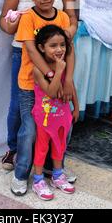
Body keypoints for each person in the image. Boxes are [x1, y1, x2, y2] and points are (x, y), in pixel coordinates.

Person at [0, 0, 77, 173]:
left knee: (53, 103)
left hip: (55, 55)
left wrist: (65, 35)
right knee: (19, 105)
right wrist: (15, 22)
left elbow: (73, 19)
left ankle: (50, 152)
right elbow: (3, 23)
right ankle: (14, 148)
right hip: (23, 53)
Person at [10, 0, 76, 196]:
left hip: (58, 83)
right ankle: (21, 174)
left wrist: (67, 81)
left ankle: (54, 170)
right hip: (31, 84)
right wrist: (52, 75)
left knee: (61, 128)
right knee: (29, 131)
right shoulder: (28, 17)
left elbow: (70, 51)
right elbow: (30, 48)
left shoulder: (63, 17)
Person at [32, 25, 79, 200]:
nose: (59, 49)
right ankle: (38, 180)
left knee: (60, 146)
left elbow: (71, 86)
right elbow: (51, 92)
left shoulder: (65, 66)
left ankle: (57, 175)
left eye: (62, 45)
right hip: (45, 117)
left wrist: (76, 106)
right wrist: (58, 71)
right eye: (53, 45)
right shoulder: (38, 70)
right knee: (42, 147)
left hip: (63, 116)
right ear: (41, 48)